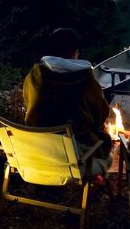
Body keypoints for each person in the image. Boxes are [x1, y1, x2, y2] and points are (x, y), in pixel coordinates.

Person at [22, 27, 112, 176]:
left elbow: (29, 104)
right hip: (74, 154)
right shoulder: (86, 78)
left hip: (38, 148)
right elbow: (101, 112)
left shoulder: (35, 75)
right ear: (75, 52)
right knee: (106, 159)